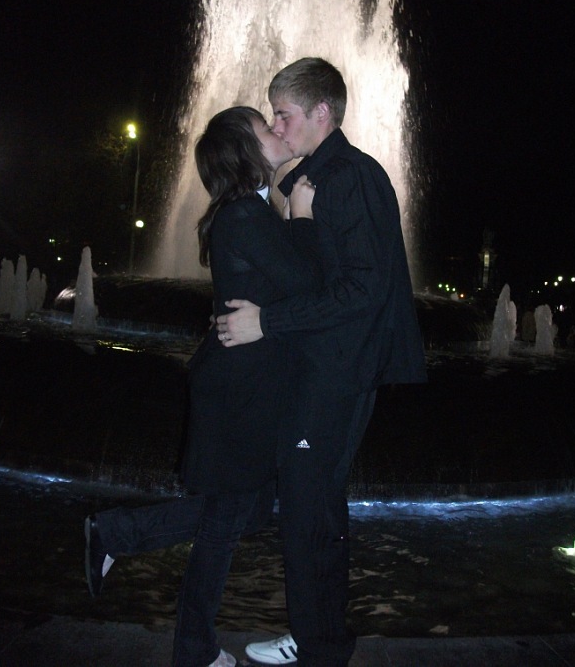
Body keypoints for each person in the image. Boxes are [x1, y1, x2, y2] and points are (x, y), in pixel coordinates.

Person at [84, 106, 322, 667]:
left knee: (249, 509)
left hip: (244, 383)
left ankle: (116, 533)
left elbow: (278, 289)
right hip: (241, 390)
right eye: (265, 127)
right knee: (226, 520)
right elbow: (309, 285)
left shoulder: (250, 211)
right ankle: (192, 648)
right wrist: (304, 217)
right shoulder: (246, 214)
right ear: (246, 151)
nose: (277, 129)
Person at [216, 58, 427, 667]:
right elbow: (320, 277)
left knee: (310, 506)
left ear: (321, 113)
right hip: (321, 366)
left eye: (283, 115)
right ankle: (318, 635)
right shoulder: (318, 177)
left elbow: (364, 289)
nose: (277, 127)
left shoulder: (349, 177)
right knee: (313, 504)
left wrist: (267, 322)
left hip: (337, 371)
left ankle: (320, 646)